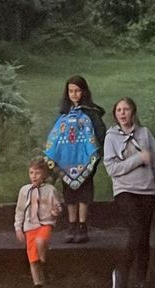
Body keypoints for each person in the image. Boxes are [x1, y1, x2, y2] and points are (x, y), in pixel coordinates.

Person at [103, 97, 155, 288]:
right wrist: (138, 159)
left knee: (144, 238)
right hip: (125, 190)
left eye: (126, 109)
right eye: (119, 110)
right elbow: (112, 168)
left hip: (147, 191)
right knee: (137, 231)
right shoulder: (111, 137)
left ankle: (141, 283)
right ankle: (121, 271)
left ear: (133, 112)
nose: (123, 113)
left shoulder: (145, 133)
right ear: (115, 114)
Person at [45, 75, 108, 243]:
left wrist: (98, 152)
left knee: (84, 192)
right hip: (67, 160)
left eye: (77, 91)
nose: (74, 94)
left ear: (84, 91)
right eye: (71, 91)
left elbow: (100, 132)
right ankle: (71, 224)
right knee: (69, 193)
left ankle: (82, 225)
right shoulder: (64, 114)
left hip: (85, 160)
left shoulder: (91, 113)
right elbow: (56, 136)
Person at [15, 157, 62, 288]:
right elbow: (20, 210)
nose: (34, 176)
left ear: (44, 174)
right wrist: (18, 227)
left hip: (45, 223)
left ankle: (44, 263)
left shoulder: (50, 190)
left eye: (37, 173)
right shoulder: (25, 191)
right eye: (31, 173)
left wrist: (55, 211)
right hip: (30, 226)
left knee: (41, 241)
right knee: (32, 259)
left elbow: (57, 206)